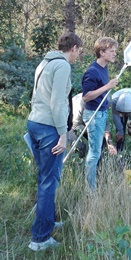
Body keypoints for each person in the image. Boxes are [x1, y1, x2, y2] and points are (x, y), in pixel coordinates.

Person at [27, 31, 82, 251]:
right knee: (49, 182)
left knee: (45, 179)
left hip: (35, 123)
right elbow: (58, 103)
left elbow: (36, 95)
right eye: (80, 51)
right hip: (49, 128)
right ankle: (39, 239)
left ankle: (47, 222)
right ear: (75, 48)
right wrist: (62, 133)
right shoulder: (62, 65)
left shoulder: (44, 62)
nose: (78, 55)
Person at [82, 36, 118, 191]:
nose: (115, 54)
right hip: (93, 115)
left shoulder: (104, 68)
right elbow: (86, 96)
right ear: (102, 52)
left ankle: (92, 184)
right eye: (111, 51)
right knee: (94, 153)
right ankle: (90, 190)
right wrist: (107, 87)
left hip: (101, 114)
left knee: (97, 151)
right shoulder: (92, 71)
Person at [68, 93, 117, 157]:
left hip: (87, 124)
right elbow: (76, 125)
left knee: (101, 141)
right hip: (70, 125)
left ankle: (98, 165)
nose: (106, 109)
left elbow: (106, 126)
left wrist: (109, 143)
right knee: (80, 147)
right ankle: (78, 164)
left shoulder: (102, 108)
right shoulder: (82, 103)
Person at [111, 88, 131, 161]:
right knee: (119, 135)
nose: (125, 114)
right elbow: (115, 116)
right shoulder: (114, 99)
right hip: (118, 112)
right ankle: (119, 156)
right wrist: (120, 131)